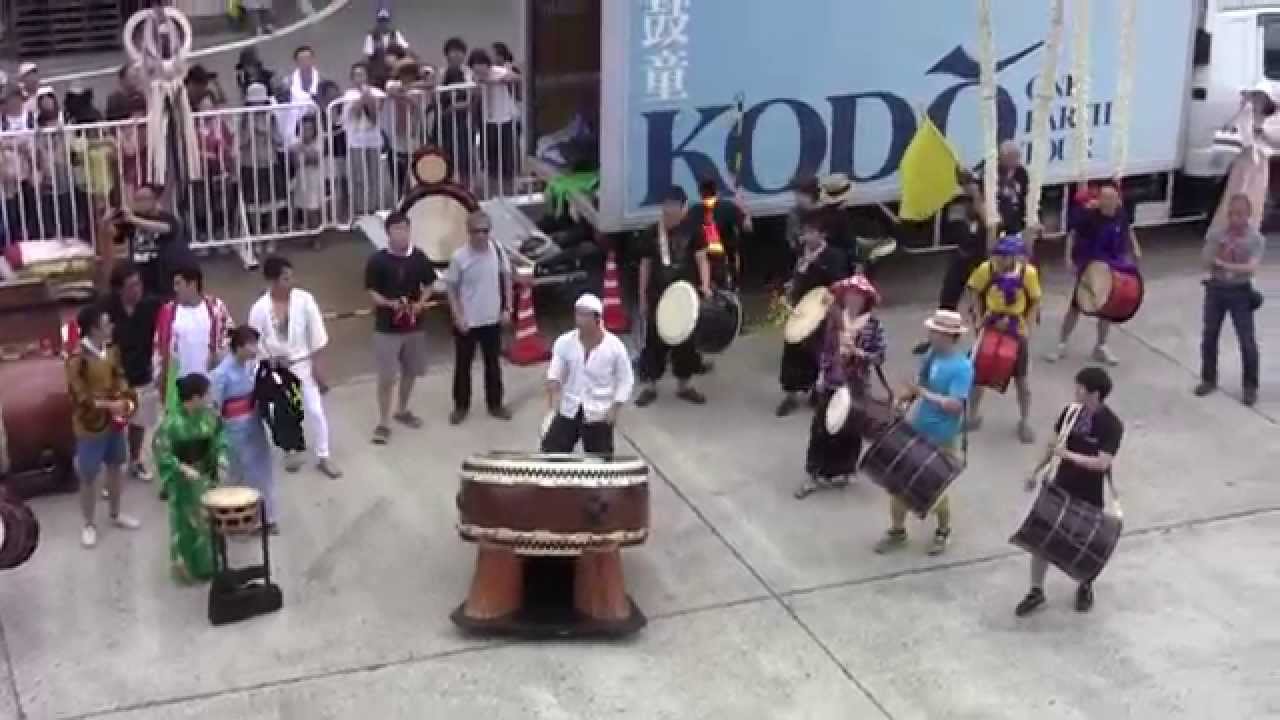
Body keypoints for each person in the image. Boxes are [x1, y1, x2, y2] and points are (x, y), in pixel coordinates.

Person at [1016, 367, 1123, 616]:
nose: (1076, 391)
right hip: (1061, 485)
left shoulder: (1111, 425)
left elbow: (1103, 463)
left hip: (1090, 491)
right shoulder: (1070, 412)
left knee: (1087, 544)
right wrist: (1036, 470)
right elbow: (1054, 445)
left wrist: (1069, 456)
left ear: (1095, 393)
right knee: (1041, 538)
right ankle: (1035, 590)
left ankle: (1085, 585)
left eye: (1080, 388)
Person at [873, 309, 972, 557]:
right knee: (898, 484)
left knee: (932, 488)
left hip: (943, 435)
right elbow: (922, 385)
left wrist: (924, 394)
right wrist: (903, 399)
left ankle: (943, 530)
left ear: (949, 336)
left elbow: (955, 405)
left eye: (935, 332)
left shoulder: (962, 368)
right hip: (918, 428)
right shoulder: (931, 355)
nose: (930, 335)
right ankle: (898, 530)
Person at [249, 255, 342, 477]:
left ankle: (324, 455)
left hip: (302, 365)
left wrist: (319, 369)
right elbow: (253, 341)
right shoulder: (260, 308)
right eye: (285, 278)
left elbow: (317, 335)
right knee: (283, 413)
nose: (290, 282)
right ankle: (290, 449)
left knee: (315, 411)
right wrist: (268, 358)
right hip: (275, 370)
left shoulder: (304, 300)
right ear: (272, 281)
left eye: (291, 277)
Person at [800, 274, 885, 498]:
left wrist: (860, 354)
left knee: (851, 429)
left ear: (865, 299)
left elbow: (879, 356)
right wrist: (823, 372)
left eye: (858, 295)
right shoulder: (834, 320)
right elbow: (824, 350)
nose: (853, 298)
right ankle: (814, 473)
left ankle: (845, 469)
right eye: (850, 294)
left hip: (856, 385)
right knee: (821, 428)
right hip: (831, 381)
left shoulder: (873, 325)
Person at [67, 303, 142, 549]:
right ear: (93, 329)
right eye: (106, 323)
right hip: (90, 426)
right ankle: (88, 523)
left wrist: (125, 399)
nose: (111, 327)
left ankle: (115, 512)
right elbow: (80, 398)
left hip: (114, 423)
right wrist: (110, 406)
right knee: (88, 475)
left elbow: (119, 376)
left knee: (115, 466)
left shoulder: (111, 350)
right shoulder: (77, 359)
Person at [1045, 183, 1141, 366]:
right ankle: (1061, 343)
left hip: (1114, 263)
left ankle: (1101, 346)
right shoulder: (1089, 216)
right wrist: (1068, 258)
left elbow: (1128, 229)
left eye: (1112, 199)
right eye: (1104, 198)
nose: (1107, 202)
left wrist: (1135, 247)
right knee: (1077, 305)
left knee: (1108, 307)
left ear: (1117, 200)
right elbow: (1072, 235)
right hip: (1091, 263)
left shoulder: (1120, 213)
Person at [635, 186, 713, 407]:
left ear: (683, 208)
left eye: (675, 207)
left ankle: (684, 386)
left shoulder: (693, 231)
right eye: (666, 206)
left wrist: (705, 286)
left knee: (685, 343)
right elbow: (645, 266)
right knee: (654, 342)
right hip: (658, 297)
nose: (670, 211)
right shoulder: (652, 233)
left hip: (684, 298)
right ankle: (650, 385)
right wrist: (642, 297)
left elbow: (702, 260)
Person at [365, 211, 436, 444]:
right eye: (397, 229)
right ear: (388, 234)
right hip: (386, 327)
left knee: (411, 371)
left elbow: (430, 283)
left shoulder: (419, 257)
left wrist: (421, 303)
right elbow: (372, 291)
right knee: (386, 376)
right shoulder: (378, 260)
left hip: (414, 326)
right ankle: (383, 421)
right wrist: (389, 303)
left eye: (405, 228)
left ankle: (402, 409)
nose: (402, 233)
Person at [963, 234, 1042, 444]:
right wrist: (979, 319)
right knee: (977, 376)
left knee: (1022, 382)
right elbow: (974, 291)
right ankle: (972, 415)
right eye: (998, 255)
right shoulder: (985, 269)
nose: (999, 260)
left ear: (1014, 257)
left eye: (1004, 256)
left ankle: (1025, 421)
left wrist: (1028, 329)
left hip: (1016, 330)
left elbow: (1035, 301)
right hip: (990, 325)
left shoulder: (1028, 274)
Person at [152, 372, 227, 584]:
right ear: (194, 398)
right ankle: (186, 570)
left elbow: (221, 435)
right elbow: (161, 451)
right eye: (206, 394)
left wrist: (221, 457)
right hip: (183, 482)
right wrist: (180, 467)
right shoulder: (171, 423)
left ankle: (210, 565)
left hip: (206, 476)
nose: (209, 397)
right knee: (185, 526)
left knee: (209, 523)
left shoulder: (211, 416)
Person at [776, 213, 849, 417]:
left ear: (822, 234)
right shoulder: (799, 253)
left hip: (822, 310)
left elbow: (841, 283)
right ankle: (790, 395)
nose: (806, 236)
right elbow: (790, 279)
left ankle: (817, 393)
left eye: (811, 232)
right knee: (792, 349)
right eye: (804, 232)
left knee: (819, 353)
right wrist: (787, 295)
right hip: (800, 308)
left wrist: (833, 297)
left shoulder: (835, 256)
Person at [1196, 193, 1265, 406]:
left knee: (1247, 340)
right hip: (1216, 289)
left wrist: (1225, 265)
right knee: (1209, 335)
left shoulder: (1255, 239)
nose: (1235, 219)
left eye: (1240, 214)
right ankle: (1208, 378)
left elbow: (1251, 268)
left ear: (1248, 215)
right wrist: (1217, 255)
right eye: (1232, 214)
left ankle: (1250, 386)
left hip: (1239, 292)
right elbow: (1206, 260)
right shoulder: (1217, 234)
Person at [542, 293, 634, 454]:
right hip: (570, 407)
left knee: (600, 462)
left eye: (585, 315)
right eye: (578, 314)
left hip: (599, 411)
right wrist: (554, 386)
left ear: (597, 320)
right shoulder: (564, 342)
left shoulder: (614, 347)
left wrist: (615, 408)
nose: (579, 320)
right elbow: (555, 371)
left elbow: (626, 380)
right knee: (551, 452)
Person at [447, 210, 513, 424]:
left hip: (491, 320)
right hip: (468, 322)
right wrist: (458, 317)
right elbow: (452, 290)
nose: (481, 236)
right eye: (477, 231)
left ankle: (495, 404)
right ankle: (461, 406)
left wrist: (508, 308)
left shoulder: (497, 250)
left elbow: (507, 278)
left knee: (493, 365)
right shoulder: (460, 257)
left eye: (485, 231)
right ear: (469, 232)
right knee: (463, 366)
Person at [210, 327, 278, 534]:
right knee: (239, 473)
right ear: (239, 347)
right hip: (234, 428)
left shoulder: (251, 366)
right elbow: (215, 407)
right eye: (251, 344)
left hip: (254, 422)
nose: (255, 349)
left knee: (262, 470)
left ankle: (266, 517)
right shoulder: (222, 374)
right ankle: (237, 518)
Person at [914, 176, 990, 355]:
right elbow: (953, 229)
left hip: (983, 261)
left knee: (982, 304)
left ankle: (983, 344)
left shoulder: (990, 206)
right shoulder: (959, 206)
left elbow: (991, 224)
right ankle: (936, 339)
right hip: (962, 257)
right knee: (948, 297)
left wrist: (979, 201)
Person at [106, 263, 163, 481]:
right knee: (114, 426)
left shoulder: (150, 306)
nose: (137, 290)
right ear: (119, 289)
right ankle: (112, 470)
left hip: (142, 372)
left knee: (139, 422)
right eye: (131, 286)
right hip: (115, 376)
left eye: (139, 284)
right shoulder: (106, 310)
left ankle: (136, 460)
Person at [153, 265, 234, 400]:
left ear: (192, 283)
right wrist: (160, 381)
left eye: (179, 283)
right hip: (178, 389)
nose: (175, 289)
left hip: (210, 385)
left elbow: (230, 340)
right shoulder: (167, 312)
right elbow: (158, 349)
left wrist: (219, 359)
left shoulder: (216, 307)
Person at [1211, 83, 1278, 233]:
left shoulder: (1273, 118)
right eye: (1256, 95)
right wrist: (1242, 108)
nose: (1258, 100)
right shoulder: (1245, 114)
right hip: (1243, 161)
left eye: (1261, 97)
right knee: (1235, 196)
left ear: (1267, 100)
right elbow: (1231, 130)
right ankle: (1226, 234)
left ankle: (1247, 235)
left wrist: (1263, 132)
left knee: (1254, 200)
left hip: (1260, 162)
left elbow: (1276, 141)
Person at [115, 183, 191, 298]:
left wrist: (133, 220)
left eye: (143, 199)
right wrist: (108, 222)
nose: (140, 203)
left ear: (154, 200)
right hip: (139, 277)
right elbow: (116, 240)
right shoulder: (131, 221)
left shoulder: (167, 218)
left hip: (162, 276)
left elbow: (166, 228)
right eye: (137, 199)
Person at [469, 49, 520, 192]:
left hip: (505, 120)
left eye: (481, 64)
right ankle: (493, 193)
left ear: (487, 64)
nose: (479, 68)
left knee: (508, 161)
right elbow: (473, 94)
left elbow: (515, 77)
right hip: (487, 122)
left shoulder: (497, 70)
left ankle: (510, 193)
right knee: (490, 162)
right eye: (475, 65)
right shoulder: (473, 76)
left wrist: (494, 81)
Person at [343, 62, 390, 217]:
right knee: (359, 177)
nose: (360, 78)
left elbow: (376, 115)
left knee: (374, 175)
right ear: (351, 78)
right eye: (356, 75)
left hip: (373, 140)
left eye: (362, 74)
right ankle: (360, 210)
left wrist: (368, 97)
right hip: (356, 141)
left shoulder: (376, 92)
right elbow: (353, 113)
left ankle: (374, 207)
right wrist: (363, 98)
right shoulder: (348, 95)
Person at [694, 177, 753, 289]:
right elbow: (747, 227)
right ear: (716, 191)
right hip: (725, 262)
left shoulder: (694, 211)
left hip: (703, 265)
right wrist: (746, 211)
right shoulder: (728, 207)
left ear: (700, 193)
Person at [996, 140, 1030, 236]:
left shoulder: (1022, 173)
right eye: (1012, 157)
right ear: (1002, 157)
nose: (1016, 160)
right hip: (999, 214)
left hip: (1018, 215)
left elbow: (1026, 195)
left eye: (1017, 157)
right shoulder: (992, 171)